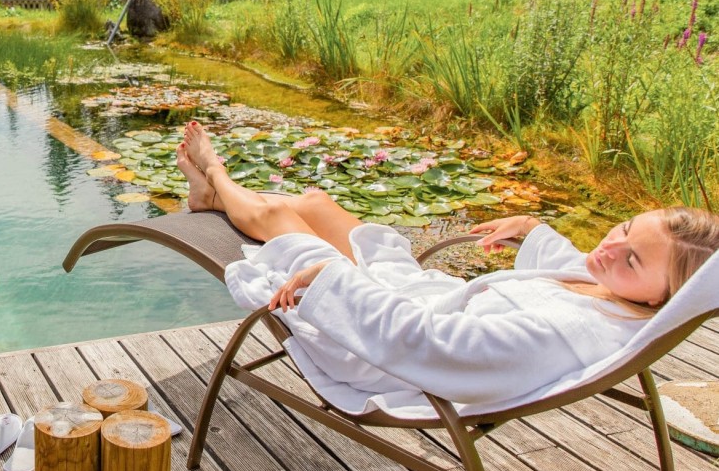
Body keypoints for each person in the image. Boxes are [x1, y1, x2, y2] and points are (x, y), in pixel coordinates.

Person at [175, 121, 719, 409]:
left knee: (275, 215)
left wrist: (335, 281)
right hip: (408, 299)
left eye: (630, 258)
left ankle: (216, 174)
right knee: (316, 203)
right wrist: (533, 230)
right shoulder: (617, 296)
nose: (606, 250)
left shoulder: (565, 334)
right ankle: (213, 200)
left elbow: (433, 347)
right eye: (623, 229)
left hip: (378, 346)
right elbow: (582, 266)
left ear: (662, 296)